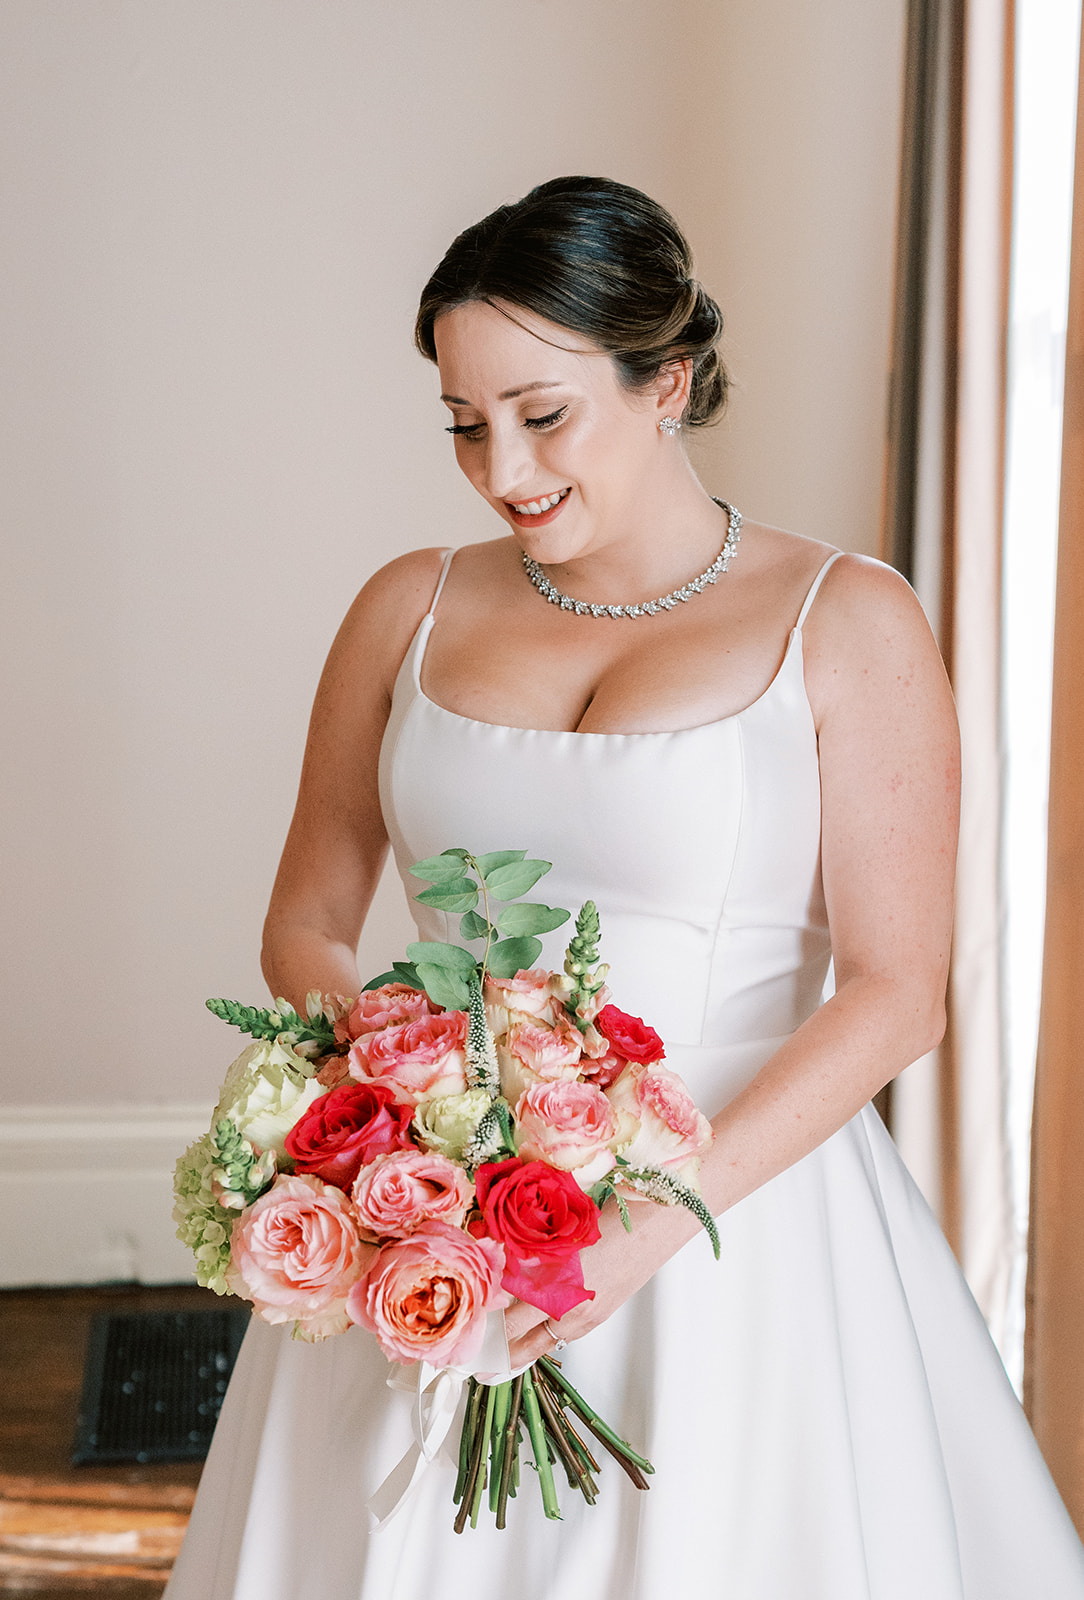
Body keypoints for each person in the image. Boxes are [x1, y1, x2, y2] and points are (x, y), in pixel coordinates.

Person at [165, 176, 1084, 1599]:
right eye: (465, 423)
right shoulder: (406, 605)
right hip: (445, 1212)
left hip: (737, 1223)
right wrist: (400, 1107)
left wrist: (649, 1230)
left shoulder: (848, 618)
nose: (503, 469)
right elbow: (308, 919)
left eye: (543, 414)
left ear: (669, 382)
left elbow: (900, 994)